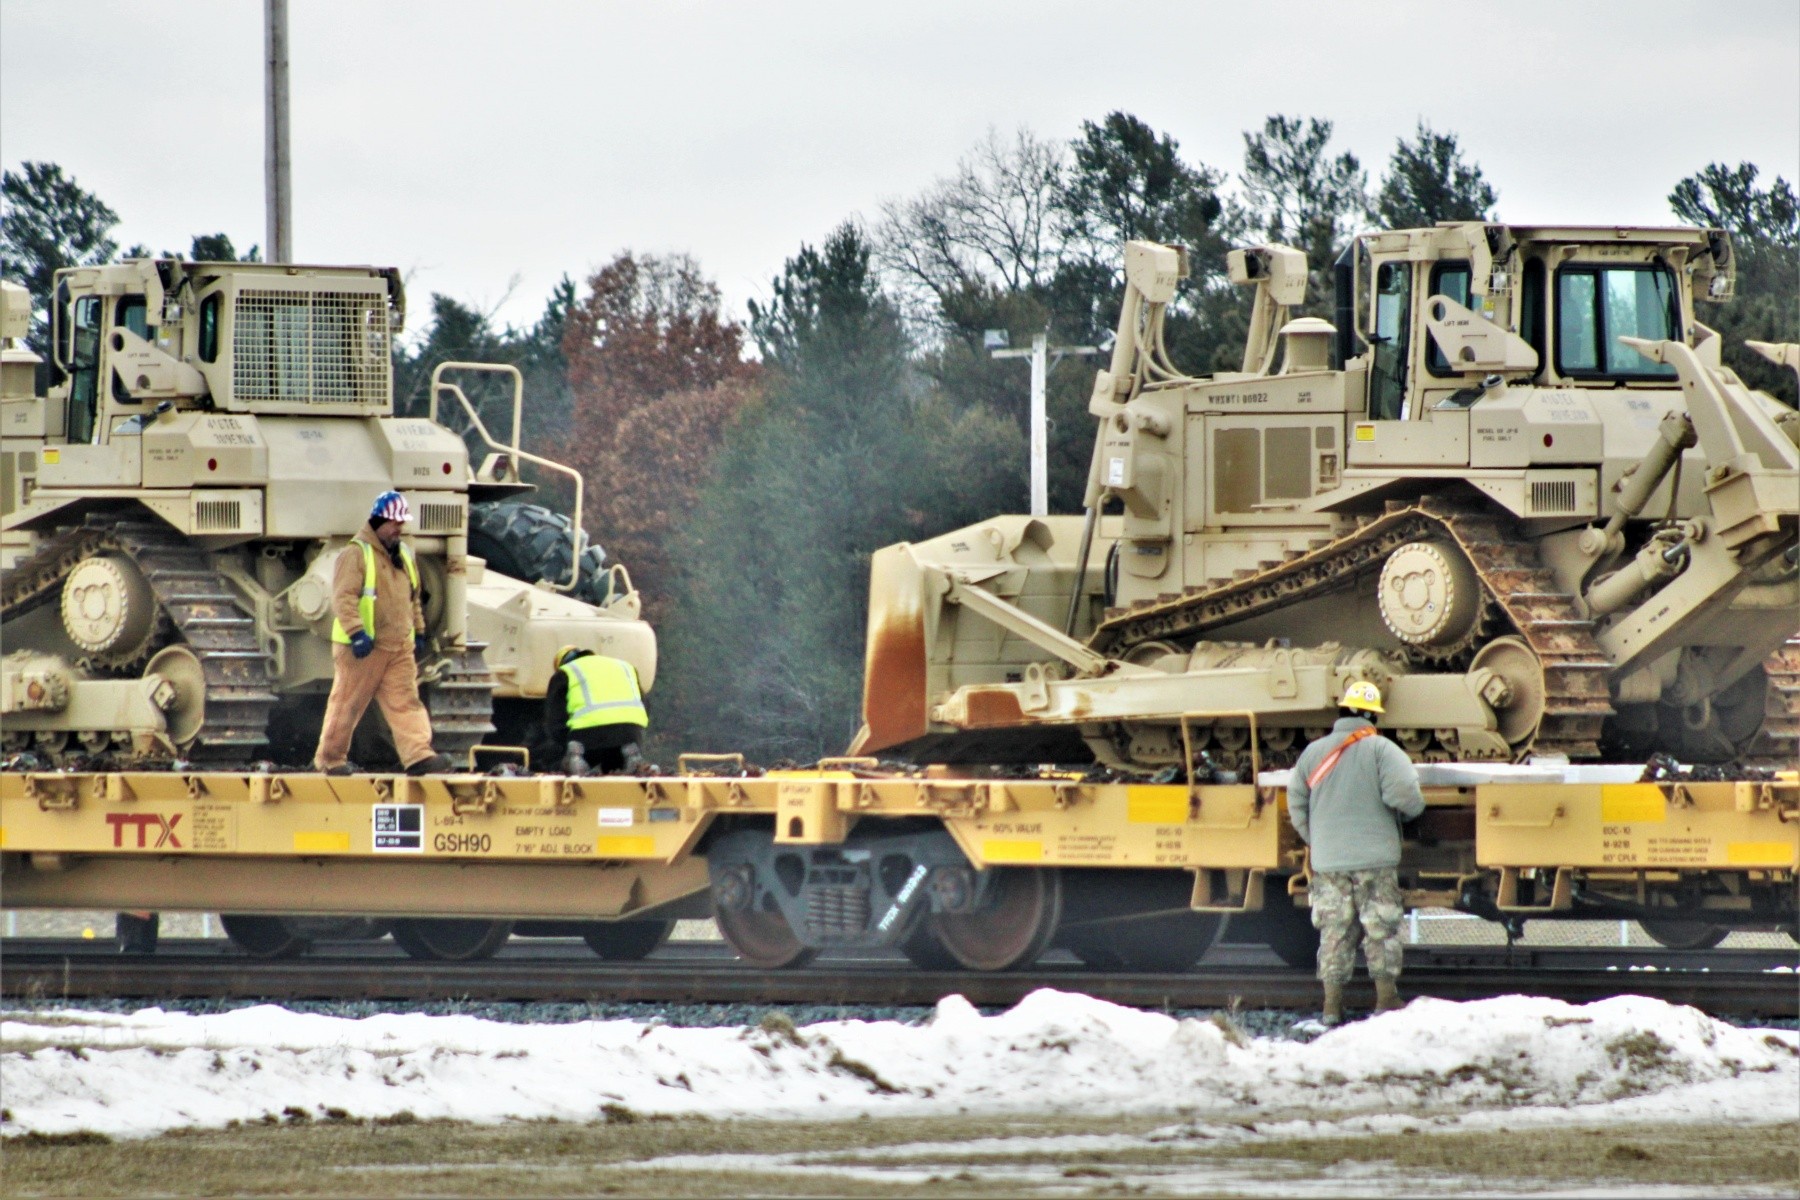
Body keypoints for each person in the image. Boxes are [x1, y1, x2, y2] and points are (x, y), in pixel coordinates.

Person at [1286, 680, 1425, 1026]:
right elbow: (1406, 796)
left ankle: (1331, 1008)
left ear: (1343, 711)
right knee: (1380, 928)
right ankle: (1386, 999)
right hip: (1374, 861)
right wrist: (1403, 818)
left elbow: (1296, 804)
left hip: (1329, 862)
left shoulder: (1312, 753)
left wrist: (1318, 839)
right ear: (1370, 716)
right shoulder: (1382, 750)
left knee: (1334, 932)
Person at [312, 491, 454, 776]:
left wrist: (419, 630)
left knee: (405, 702)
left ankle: (418, 755)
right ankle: (330, 759)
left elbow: (412, 597)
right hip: (361, 648)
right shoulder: (355, 554)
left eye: (402, 523)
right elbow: (343, 598)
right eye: (394, 522)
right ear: (378, 521)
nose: (399, 528)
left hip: (398, 647)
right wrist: (356, 633)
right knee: (347, 705)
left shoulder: (404, 555)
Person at [539, 646, 647, 774]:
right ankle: (632, 760)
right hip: (629, 736)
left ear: (561, 663)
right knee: (617, 767)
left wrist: (565, 745)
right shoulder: (625, 667)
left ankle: (575, 764)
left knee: (564, 764)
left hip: (585, 741)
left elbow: (555, 722)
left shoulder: (565, 672)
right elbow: (645, 706)